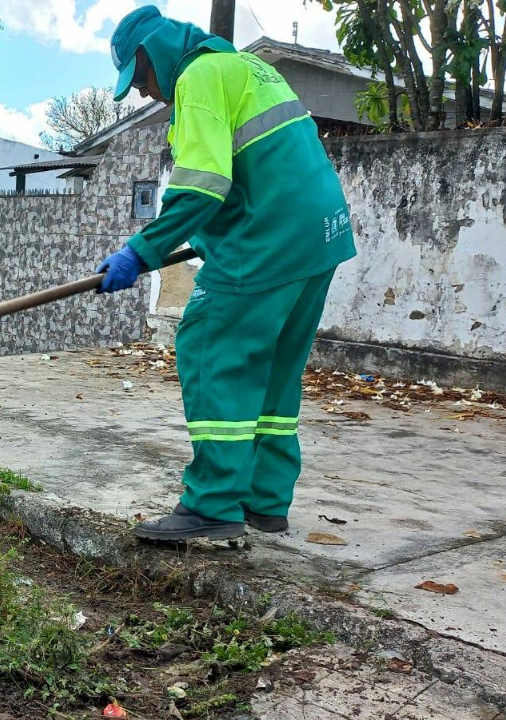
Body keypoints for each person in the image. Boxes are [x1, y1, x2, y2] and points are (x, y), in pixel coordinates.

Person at [95, 6, 356, 541]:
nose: (144, 93)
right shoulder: (245, 69)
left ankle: (214, 505)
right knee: (274, 369)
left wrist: (141, 250)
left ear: (154, 53)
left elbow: (202, 183)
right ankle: (265, 500)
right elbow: (247, 173)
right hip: (319, 238)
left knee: (211, 350)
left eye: (140, 78)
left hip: (267, 242)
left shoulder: (198, 78)